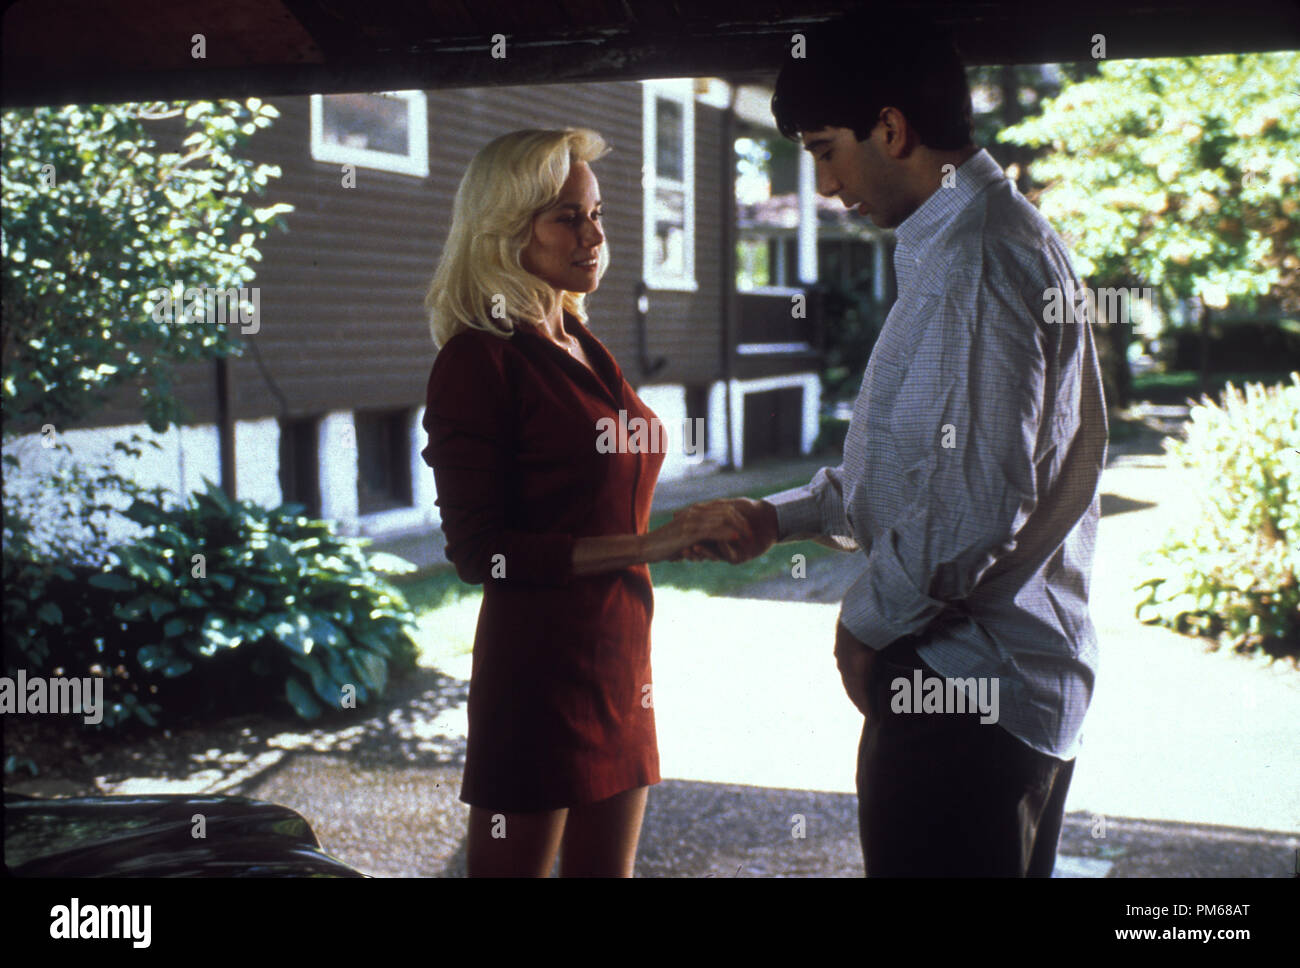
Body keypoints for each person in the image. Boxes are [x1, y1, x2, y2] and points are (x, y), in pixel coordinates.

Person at [680, 11, 1108, 876]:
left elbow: (973, 507)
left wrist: (865, 625)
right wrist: (781, 517)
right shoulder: (970, 240)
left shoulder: (978, 259)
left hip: (965, 698)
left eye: (824, 149)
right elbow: (921, 469)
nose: (824, 183)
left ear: (890, 128)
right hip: (991, 696)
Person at [420, 128, 753, 877]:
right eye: (567, 217)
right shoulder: (479, 359)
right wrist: (655, 544)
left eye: (596, 214)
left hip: (620, 661)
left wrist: (703, 528)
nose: (594, 236)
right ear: (506, 229)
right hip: (537, 672)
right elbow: (480, 553)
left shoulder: (580, 339)